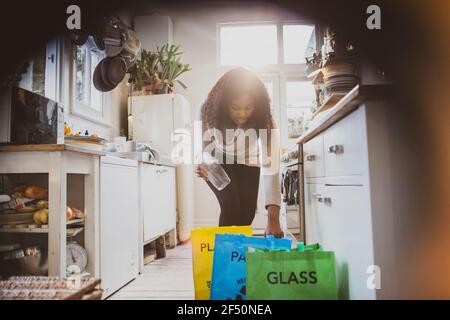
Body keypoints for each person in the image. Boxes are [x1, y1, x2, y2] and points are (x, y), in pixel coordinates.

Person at [196, 67, 283, 238]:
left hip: (248, 160)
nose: (242, 114)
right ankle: (224, 260)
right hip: (218, 161)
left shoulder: (264, 117)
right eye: (235, 107)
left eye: (248, 107)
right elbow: (205, 149)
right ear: (223, 104)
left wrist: (273, 219)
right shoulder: (207, 108)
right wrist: (205, 163)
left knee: (246, 215)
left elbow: (271, 166)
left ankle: (237, 257)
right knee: (231, 207)